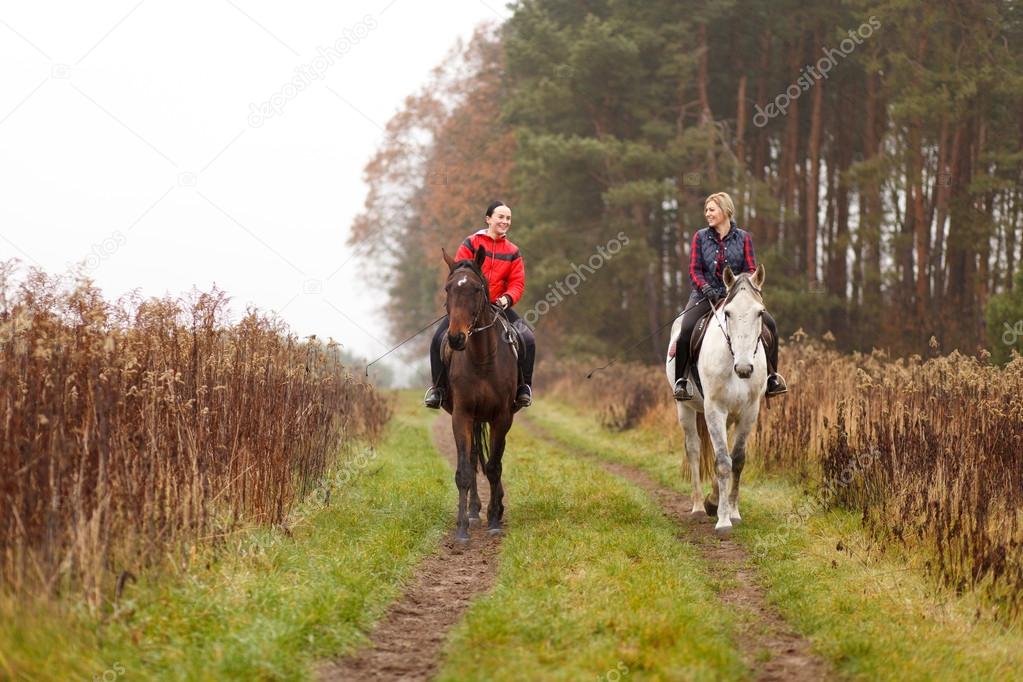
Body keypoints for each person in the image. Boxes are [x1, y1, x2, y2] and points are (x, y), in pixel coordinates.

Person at [673, 192, 788, 401]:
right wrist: (706, 287)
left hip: (736, 296)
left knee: (770, 325)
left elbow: (751, 268)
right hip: (703, 295)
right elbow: (694, 270)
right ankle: (681, 381)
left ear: (726, 211)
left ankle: (772, 378)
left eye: (711, 209)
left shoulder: (743, 238)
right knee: (687, 329)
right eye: (706, 210)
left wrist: (737, 287)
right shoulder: (700, 237)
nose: (707, 213)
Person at [425, 200, 536, 409]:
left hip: (499, 307)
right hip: (469, 307)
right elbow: (459, 274)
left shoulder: (513, 251)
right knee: (438, 339)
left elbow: (517, 283)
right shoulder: (471, 243)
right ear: (488, 219)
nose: (505, 221)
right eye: (500, 217)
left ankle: (523, 388)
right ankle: (438, 389)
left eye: (508, 218)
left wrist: (506, 299)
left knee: (528, 338)